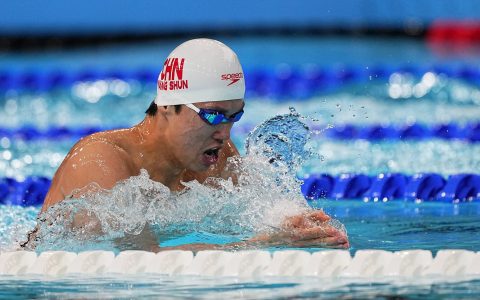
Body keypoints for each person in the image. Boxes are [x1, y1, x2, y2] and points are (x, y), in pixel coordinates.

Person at [29, 39, 349, 251]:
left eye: (234, 116)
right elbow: (142, 266)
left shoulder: (218, 158)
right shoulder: (101, 163)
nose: (225, 133)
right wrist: (267, 242)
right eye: (212, 116)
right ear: (168, 106)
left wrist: (290, 223)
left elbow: (258, 213)